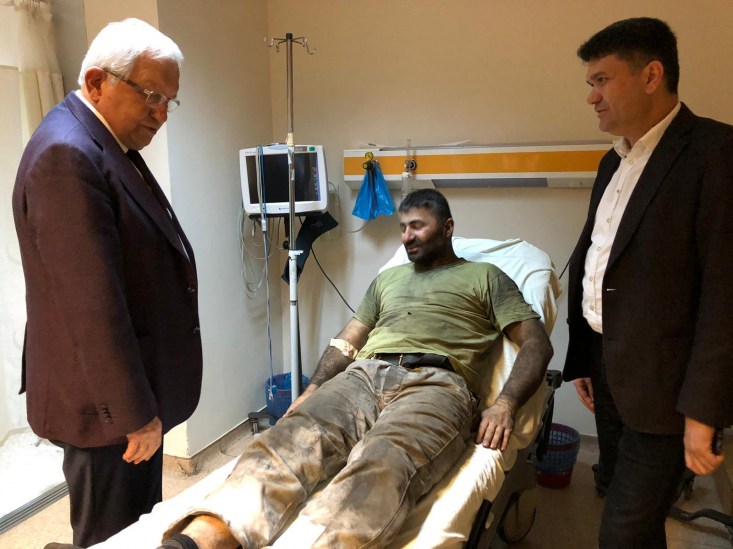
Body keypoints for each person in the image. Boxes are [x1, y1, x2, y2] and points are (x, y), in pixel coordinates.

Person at [155, 189, 553, 549]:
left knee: (382, 462)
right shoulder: (388, 280)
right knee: (289, 440)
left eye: (417, 226)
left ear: (447, 228)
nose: (407, 237)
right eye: (402, 228)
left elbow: (536, 343)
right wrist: (313, 390)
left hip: (438, 384)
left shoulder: (485, 277)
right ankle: (201, 541)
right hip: (364, 374)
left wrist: (505, 403)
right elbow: (348, 339)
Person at [12, 18, 202, 547]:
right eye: (151, 96)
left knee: (140, 525)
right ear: (97, 82)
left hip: (129, 392)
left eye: (170, 100)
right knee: (112, 536)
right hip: (106, 406)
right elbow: (90, 307)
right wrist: (134, 415)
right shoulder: (66, 156)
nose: (162, 113)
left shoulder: (106, 144)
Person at [563, 17, 732, 548]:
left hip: (667, 388)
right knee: (621, 500)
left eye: (602, 80)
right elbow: (599, 260)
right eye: (590, 82)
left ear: (652, 75)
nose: (591, 96)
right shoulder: (612, 162)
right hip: (609, 368)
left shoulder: (715, 154)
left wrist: (704, 411)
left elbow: (724, 295)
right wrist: (585, 355)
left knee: (622, 532)